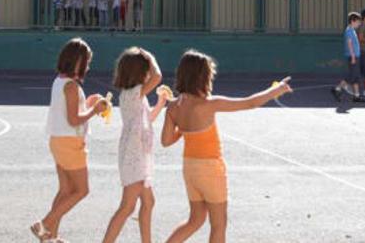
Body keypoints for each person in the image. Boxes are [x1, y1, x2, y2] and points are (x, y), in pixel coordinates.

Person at [161, 50, 292, 243]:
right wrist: (277, 90)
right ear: (203, 77)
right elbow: (249, 103)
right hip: (211, 169)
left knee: (195, 220)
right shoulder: (209, 103)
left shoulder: (173, 107)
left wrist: (183, 128)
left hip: (189, 167)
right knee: (218, 225)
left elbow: (165, 141)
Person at [31, 38, 108, 242]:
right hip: (70, 144)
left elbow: (70, 111)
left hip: (57, 141)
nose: (89, 66)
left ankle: (50, 236)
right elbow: (74, 120)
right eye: (87, 62)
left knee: (65, 190)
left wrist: (89, 103)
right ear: (78, 62)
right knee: (82, 190)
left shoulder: (60, 81)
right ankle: (44, 224)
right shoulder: (72, 86)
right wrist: (95, 110)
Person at [102, 48, 169, 243]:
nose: (149, 73)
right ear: (139, 72)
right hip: (134, 155)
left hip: (139, 154)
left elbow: (148, 119)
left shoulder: (136, 95)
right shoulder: (133, 93)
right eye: (146, 69)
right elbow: (158, 76)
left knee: (148, 201)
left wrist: (161, 102)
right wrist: (150, 56)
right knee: (127, 206)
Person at [331, 12, 365, 103]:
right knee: (352, 76)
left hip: (355, 56)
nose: (359, 24)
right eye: (358, 22)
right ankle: (337, 89)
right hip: (353, 56)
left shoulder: (352, 30)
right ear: (352, 21)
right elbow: (350, 44)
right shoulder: (349, 31)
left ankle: (356, 96)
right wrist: (353, 56)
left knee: (355, 77)